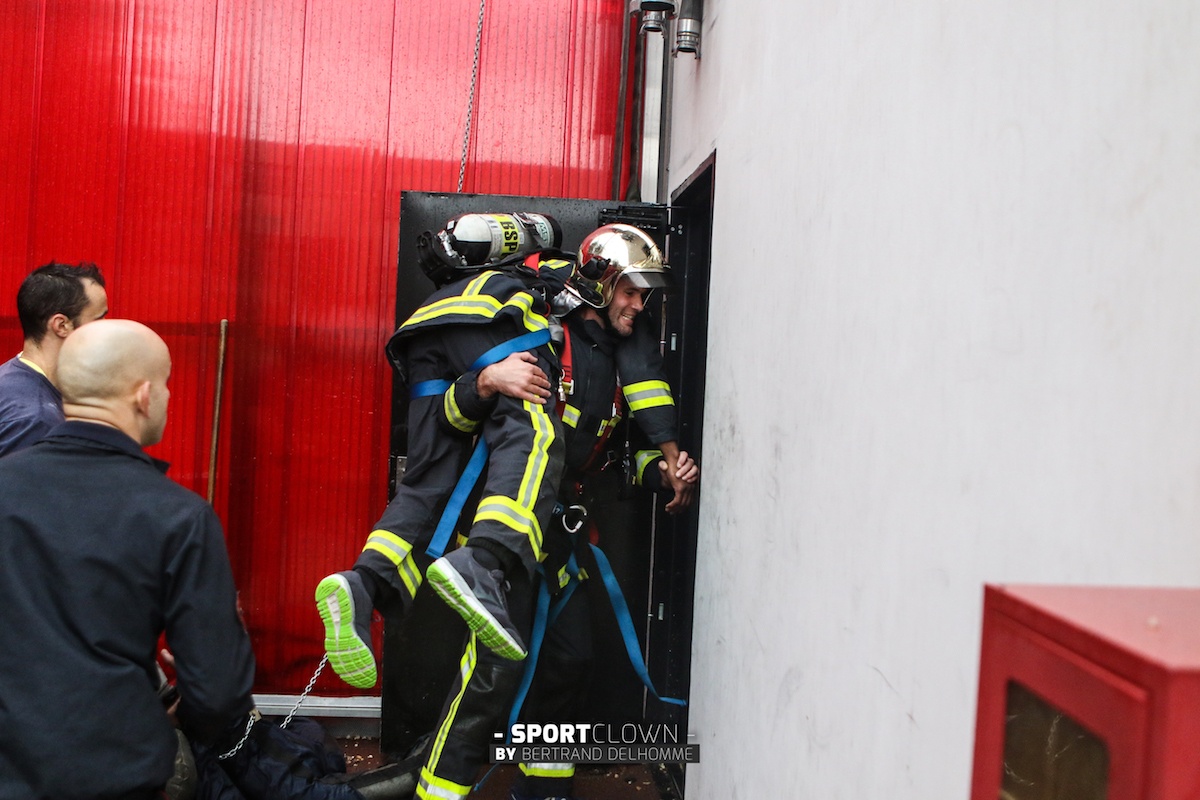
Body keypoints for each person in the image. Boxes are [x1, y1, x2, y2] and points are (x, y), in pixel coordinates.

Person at [410, 223, 700, 800]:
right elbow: (448, 420)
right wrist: (485, 381)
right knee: (492, 675)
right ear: (600, 284)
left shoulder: (618, 358)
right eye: (630, 291)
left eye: (644, 295)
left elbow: (610, 452)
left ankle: (543, 789)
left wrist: (659, 470)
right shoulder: (539, 331)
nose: (639, 306)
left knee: (570, 660)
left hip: (562, 533)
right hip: (508, 528)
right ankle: (436, 792)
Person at [0, 319, 256, 799]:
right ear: (144, 395)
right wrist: (185, 712)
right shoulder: (179, 516)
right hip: (114, 772)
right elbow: (218, 692)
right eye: (166, 384)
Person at [316, 249, 577, 689]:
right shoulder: (541, 268)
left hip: (421, 334)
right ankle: (484, 562)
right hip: (492, 314)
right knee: (534, 433)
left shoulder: (446, 293)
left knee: (427, 477)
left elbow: (452, 420)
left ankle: (363, 584)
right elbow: (572, 287)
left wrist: (483, 382)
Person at [0, 261, 108, 456]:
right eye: (99, 319)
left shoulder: (8, 379)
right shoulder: (36, 421)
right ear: (61, 325)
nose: (106, 329)